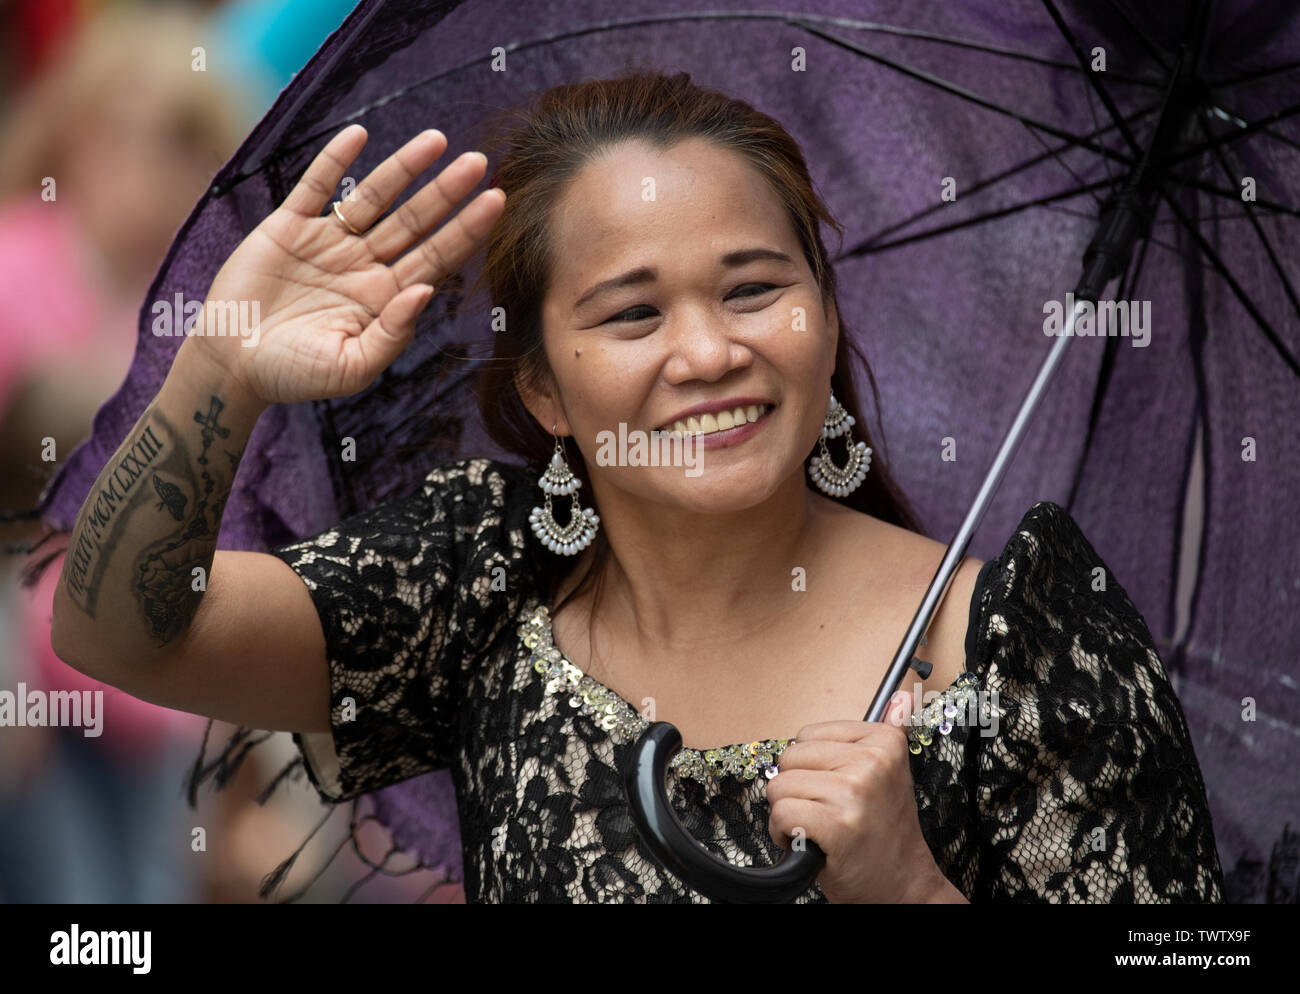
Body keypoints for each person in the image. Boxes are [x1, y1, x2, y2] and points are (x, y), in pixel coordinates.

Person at [49, 70, 1225, 904]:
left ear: (824, 317)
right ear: (547, 392)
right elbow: (120, 630)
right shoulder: (482, 581)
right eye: (632, 313)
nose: (708, 352)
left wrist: (911, 890)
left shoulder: (1017, 634)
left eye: (753, 288)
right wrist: (222, 364)